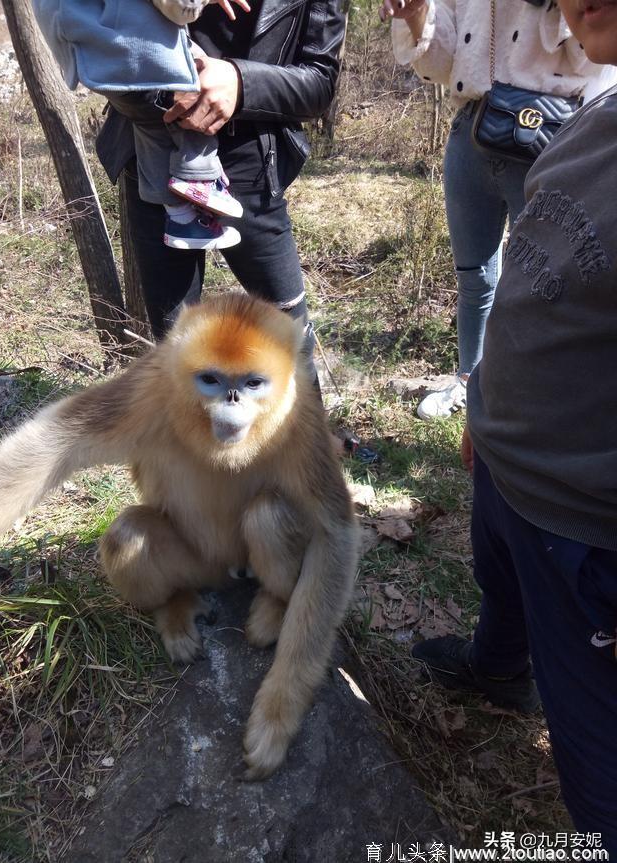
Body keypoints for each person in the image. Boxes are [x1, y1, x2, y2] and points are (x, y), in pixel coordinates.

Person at [408, 0, 617, 848]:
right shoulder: (596, 117)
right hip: (507, 461)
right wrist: (488, 394)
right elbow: (538, 278)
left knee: (594, 761)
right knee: (499, 583)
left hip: (584, 523)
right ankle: (497, 669)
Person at [379, 0, 615, 420]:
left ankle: (529, 401)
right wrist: (416, 14)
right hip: (472, 128)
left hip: (550, 134)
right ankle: (471, 384)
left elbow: (588, 53)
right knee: (474, 277)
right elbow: (439, 66)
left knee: (545, 286)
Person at [93, 0, 345, 347]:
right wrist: (163, 88)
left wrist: (239, 81)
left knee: (290, 347)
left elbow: (319, 81)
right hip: (155, 162)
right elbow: (97, 34)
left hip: (251, 169)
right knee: (177, 353)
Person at [33, 0, 251, 252]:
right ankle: (200, 177)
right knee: (198, 84)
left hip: (94, 58)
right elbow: (178, 6)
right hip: (133, 50)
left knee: (151, 128)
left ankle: (182, 221)